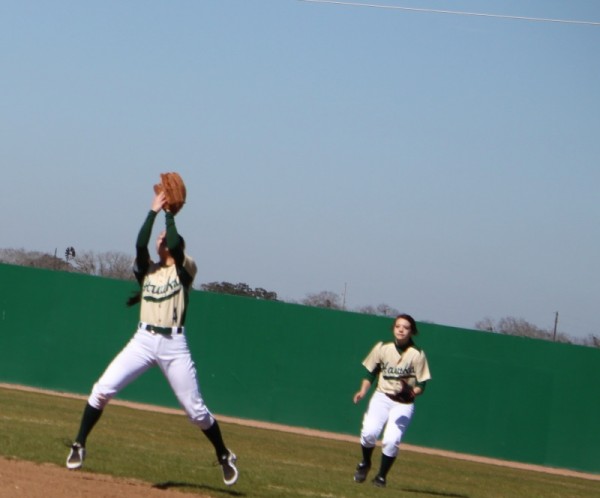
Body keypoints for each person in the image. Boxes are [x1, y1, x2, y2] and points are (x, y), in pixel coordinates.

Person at [66, 190, 239, 486]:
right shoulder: (148, 271)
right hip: (143, 340)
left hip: (174, 345)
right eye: (158, 238)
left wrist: (169, 214)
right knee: (102, 389)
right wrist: (152, 212)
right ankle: (79, 444)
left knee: (196, 411)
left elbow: (174, 242)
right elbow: (139, 244)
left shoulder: (186, 270)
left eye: (164, 239)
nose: (160, 240)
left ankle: (224, 455)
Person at [352, 313, 431, 488]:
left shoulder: (417, 354)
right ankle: (366, 462)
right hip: (381, 396)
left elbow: (422, 384)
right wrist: (363, 391)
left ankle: (381, 476)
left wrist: (413, 392)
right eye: (398, 326)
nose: (401, 329)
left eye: (406, 327)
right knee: (369, 432)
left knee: (391, 440)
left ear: (412, 331)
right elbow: (370, 373)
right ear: (394, 328)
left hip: (403, 403)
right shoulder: (382, 348)